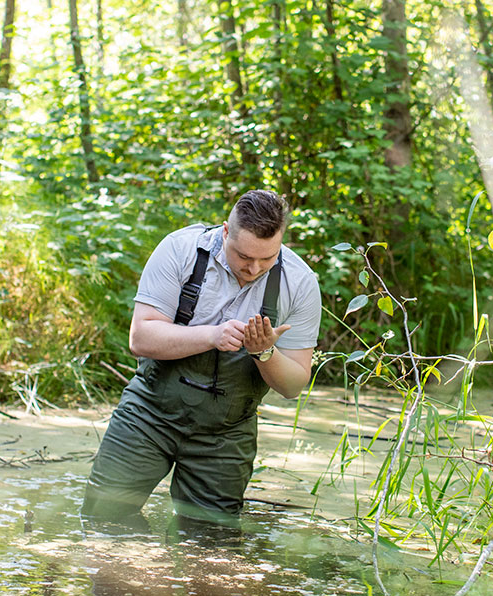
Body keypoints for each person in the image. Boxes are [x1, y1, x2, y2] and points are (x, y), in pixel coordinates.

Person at [82, 190, 321, 528]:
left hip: (226, 433)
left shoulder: (301, 283)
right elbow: (141, 337)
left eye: (267, 259)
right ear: (225, 232)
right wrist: (213, 335)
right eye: (243, 256)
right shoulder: (179, 250)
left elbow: (294, 385)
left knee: (209, 544)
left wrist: (264, 353)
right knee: (102, 519)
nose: (253, 269)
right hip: (150, 413)